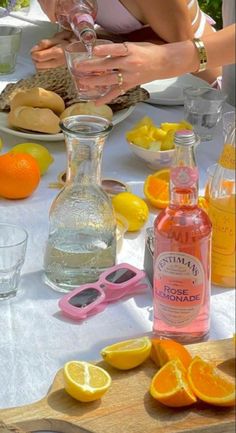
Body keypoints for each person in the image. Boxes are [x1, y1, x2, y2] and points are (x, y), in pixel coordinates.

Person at [31, 0, 219, 83]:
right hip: (140, 82)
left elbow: (182, 52)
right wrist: (72, 40)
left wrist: (95, 54)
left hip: (200, 85)